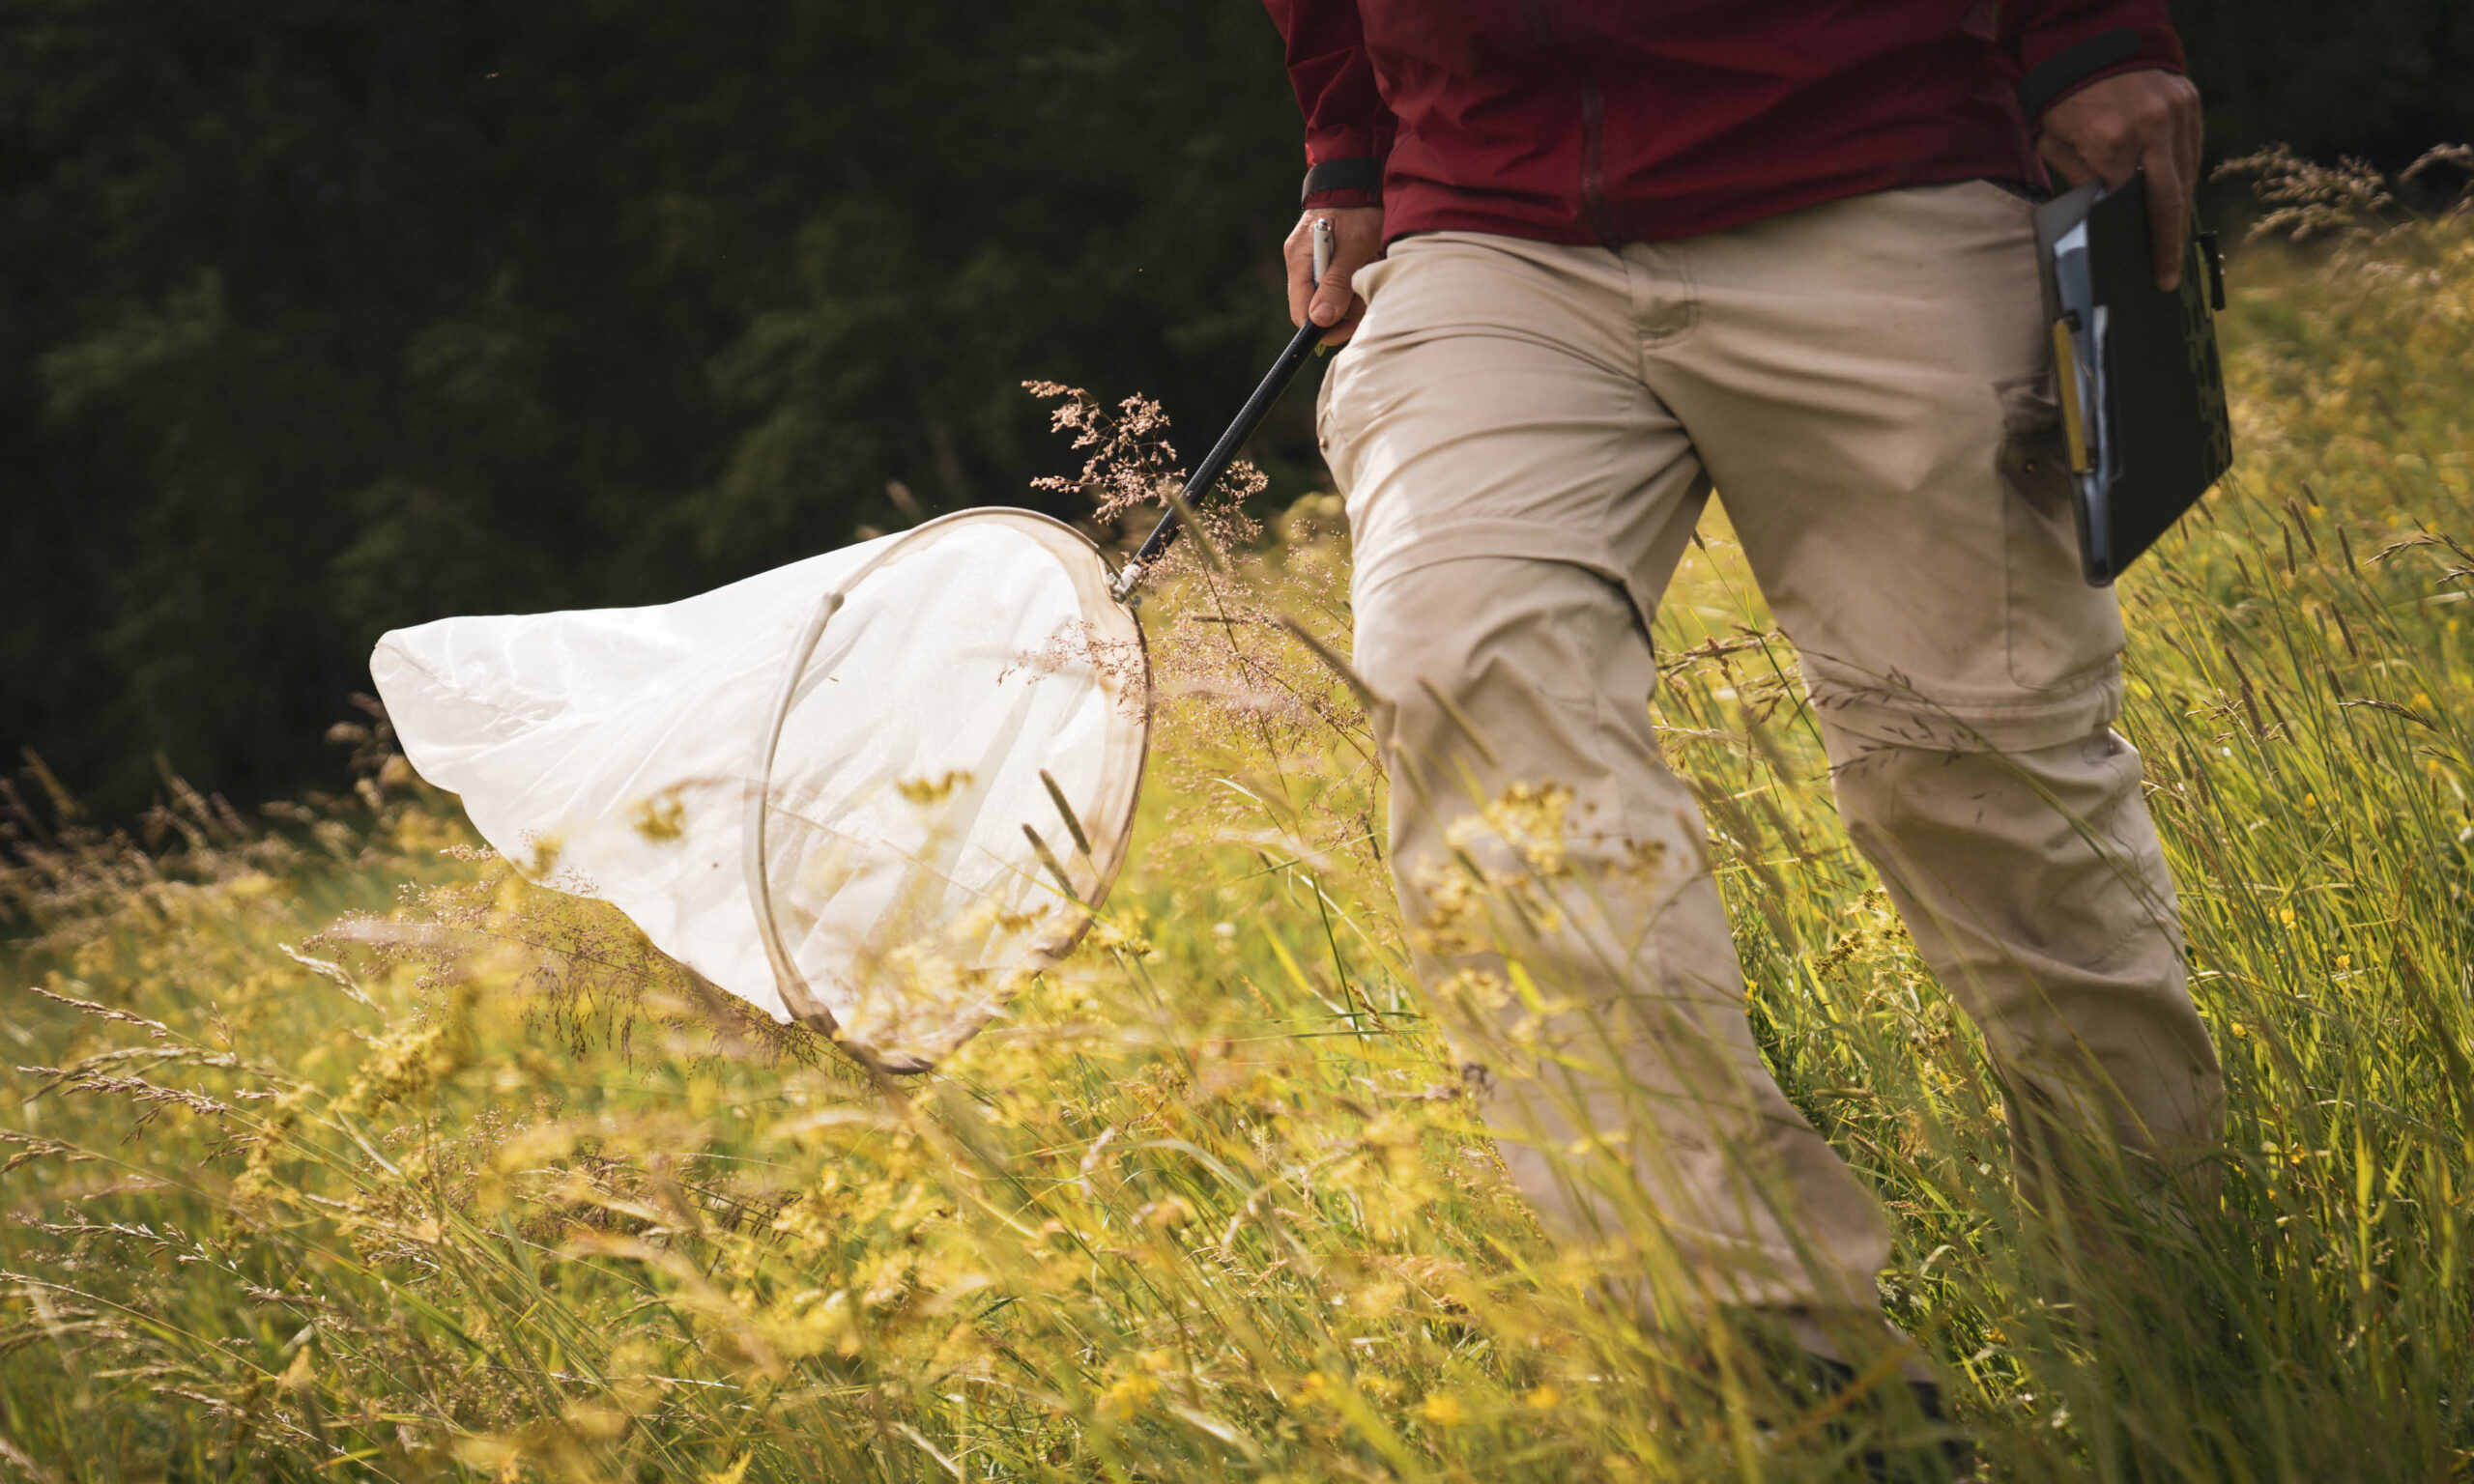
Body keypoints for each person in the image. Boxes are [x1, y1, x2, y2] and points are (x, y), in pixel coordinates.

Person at [1261, 0, 2226, 1428]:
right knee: (1461, 690)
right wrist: (1348, 143)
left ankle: (2177, 1334)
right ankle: (1781, 1364)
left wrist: (2093, 27)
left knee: (1985, 784)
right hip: (1490, 219)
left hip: (1870, 157)